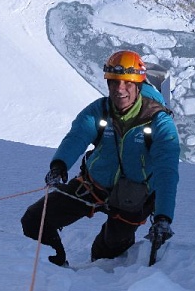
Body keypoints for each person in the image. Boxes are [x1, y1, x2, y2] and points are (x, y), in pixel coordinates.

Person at [21, 50, 180, 267]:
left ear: (138, 85)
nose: (119, 89)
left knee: (106, 252)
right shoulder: (101, 109)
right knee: (35, 220)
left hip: (134, 196)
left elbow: (166, 172)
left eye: (126, 83)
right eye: (114, 83)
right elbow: (78, 135)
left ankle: (100, 274)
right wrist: (60, 165)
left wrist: (163, 217)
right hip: (94, 184)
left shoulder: (158, 121)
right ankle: (56, 269)